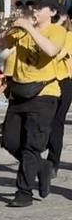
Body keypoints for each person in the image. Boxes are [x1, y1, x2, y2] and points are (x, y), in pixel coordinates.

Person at [0, 0, 66, 207]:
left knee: (32, 145)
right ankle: (41, 167)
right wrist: (6, 29)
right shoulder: (21, 31)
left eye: (40, 8)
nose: (34, 10)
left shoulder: (57, 31)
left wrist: (29, 28)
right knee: (9, 141)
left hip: (44, 94)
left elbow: (51, 50)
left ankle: (24, 193)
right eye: (33, 7)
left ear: (52, 12)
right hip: (19, 93)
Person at [45, 11, 72, 177]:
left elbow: (55, 53)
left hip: (64, 81)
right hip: (47, 80)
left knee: (56, 121)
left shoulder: (68, 36)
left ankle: (53, 162)